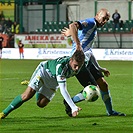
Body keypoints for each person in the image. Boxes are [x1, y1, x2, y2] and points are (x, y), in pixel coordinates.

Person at [61, 8, 125, 117]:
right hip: (78, 62)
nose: (104, 21)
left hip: (86, 60)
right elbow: (73, 26)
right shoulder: (91, 22)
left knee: (103, 85)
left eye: (107, 20)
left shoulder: (94, 28)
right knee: (94, 89)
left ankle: (110, 112)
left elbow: (89, 52)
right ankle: (70, 102)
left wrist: (100, 68)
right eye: (103, 18)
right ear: (97, 15)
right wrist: (77, 44)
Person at [0, 49, 85, 119]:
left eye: (79, 66)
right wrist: (73, 107)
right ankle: (4, 113)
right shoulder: (61, 68)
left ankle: (36, 86)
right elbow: (63, 90)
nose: (77, 68)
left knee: (41, 104)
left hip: (54, 81)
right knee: (27, 95)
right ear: (71, 60)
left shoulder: (83, 63)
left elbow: (89, 56)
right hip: (44, 72)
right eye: (75, 65)